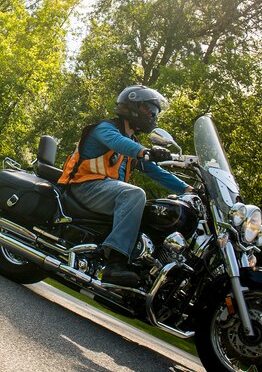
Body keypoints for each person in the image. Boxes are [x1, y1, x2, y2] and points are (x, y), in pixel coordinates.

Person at [58, 85, 193, 286]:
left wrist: (187, 189)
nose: (154, 117)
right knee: (135, 194)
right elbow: (120, 143)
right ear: (134, 108)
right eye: (151, 111)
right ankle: (116, 261)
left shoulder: (131, 142)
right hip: (83, 187)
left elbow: (156, 172)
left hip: (102, 193)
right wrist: (145, 151)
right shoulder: (105, 129)